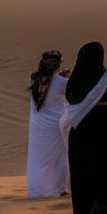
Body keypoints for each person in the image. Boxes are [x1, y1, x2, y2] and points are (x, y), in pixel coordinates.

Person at [60, 42, 107, 214]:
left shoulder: (74, 79)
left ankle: (84, 212)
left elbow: (78, 95)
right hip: (106, 125)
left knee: (83, 167)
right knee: (106, 166)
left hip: (82, 127)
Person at [26, 50, 70, 198]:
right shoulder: (61, 82)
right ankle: (60, 188)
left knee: (38, 159)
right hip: (55, 126)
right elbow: (73, 90)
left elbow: (48, 85)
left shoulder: (34, 79)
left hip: (38, 127)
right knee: (60, 157)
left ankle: (36, 191)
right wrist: (64, 77)